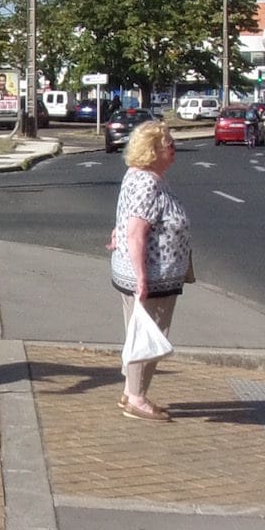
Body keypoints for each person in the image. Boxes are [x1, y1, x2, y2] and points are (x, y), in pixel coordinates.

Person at [107, 120, 192, 422]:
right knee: (148, 336)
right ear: (153, 150)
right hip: (150, 277)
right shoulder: (147, 182)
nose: (174, 149)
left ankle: (131, 391)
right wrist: (142, 279)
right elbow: (136, 231)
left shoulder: (141, 177)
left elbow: (126, 219)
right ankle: (136, 398)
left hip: (148, 273)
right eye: (169, 144)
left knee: (139, 333)